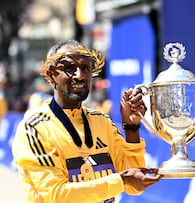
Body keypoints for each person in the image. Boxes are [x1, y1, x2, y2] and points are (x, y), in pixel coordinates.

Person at [12, 39, 161, 202]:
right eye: (69, 68)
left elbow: (134, 186)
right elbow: (56, 195)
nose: (79, 75)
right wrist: (121, 180)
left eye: (85, 68)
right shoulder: (35, 128)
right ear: (51, 74)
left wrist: (131, 127)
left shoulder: (102, 122)